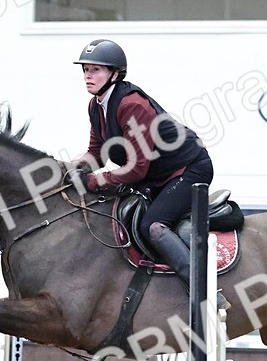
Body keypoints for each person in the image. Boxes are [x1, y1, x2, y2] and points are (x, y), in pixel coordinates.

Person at [71, 39, 225, 308]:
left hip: (189, 169)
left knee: (152, 226)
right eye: (85, 69)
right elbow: (96, 154)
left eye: (96, 70)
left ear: (115, 74)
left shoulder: (131, 104)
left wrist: (93, 181)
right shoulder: (96, 106)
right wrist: (67, 169)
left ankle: (206, 291)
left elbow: (135, 168)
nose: (88, 76)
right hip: (156, 175)